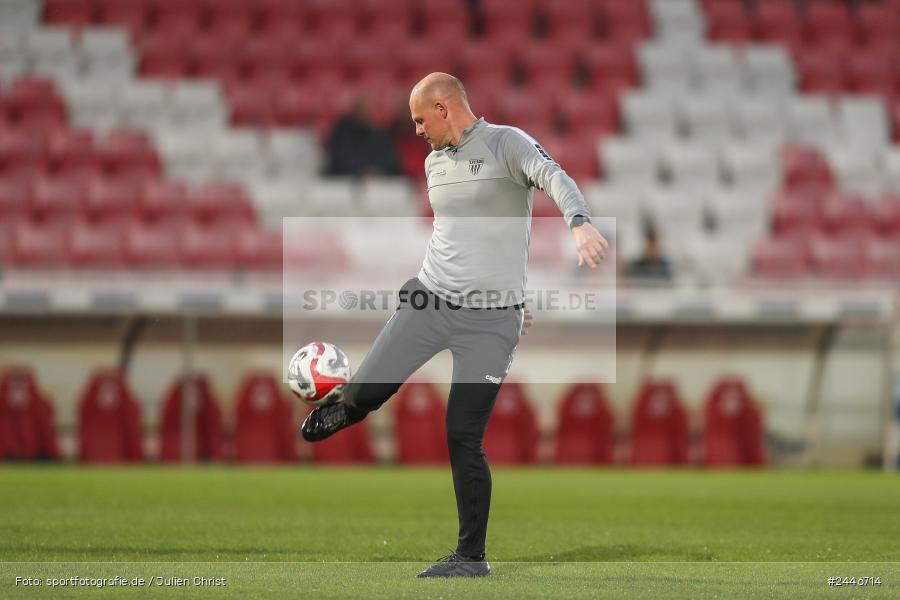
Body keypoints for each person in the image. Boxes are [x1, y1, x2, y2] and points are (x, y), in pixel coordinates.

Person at [301, 73, 608, 578]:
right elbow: (457, 235)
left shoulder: (508, 144)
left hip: (490, 322)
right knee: (364, 395)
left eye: (420, 119)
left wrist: (579, 222)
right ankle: (345, 405)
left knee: (461, 434)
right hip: (430, 299)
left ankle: (470, 558)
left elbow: (555, 176)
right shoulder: (432, 163)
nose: (416, 130)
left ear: (444, 108)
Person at [324, 95, 402, 177]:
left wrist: (378, 171)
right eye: (363, 109)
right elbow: (339, 162)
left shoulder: (380, 135)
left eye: (369, 109)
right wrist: (360, 171)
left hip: (377, 183)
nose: (366, 113)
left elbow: (391, 163)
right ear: (355, 110)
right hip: (344, 183)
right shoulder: (341, 133)